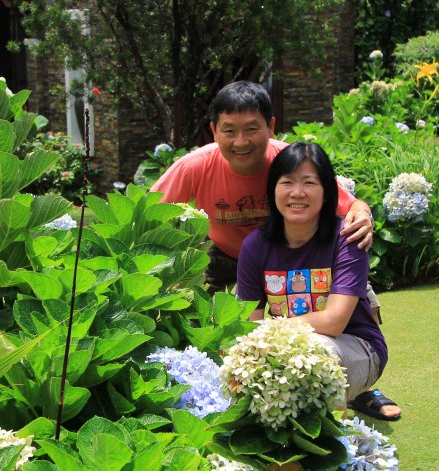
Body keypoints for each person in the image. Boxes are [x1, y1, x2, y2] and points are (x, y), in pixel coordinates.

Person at [151, 81, 374, 293]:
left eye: (251, 129)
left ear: (271, 127)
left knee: (357, 300)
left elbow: (350, 205)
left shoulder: (290, 161)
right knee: (196, 315)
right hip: (225, 256)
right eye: (229, 131)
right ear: (214, 131)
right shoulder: (194, 166)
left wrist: (362, 215)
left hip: (290, 251)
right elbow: (150, 213)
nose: (240, 142)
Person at [235, 141, 399, 421]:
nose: (297, 193)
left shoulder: (347, 238)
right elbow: (250, 324)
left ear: (326, 193)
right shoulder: (255, 246)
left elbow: (334, 321)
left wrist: (271, 329)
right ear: (273, 189)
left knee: (314, 354)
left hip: (355, 347)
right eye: (287, 182)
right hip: (282, 351)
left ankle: (330, 443)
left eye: (309, 183)